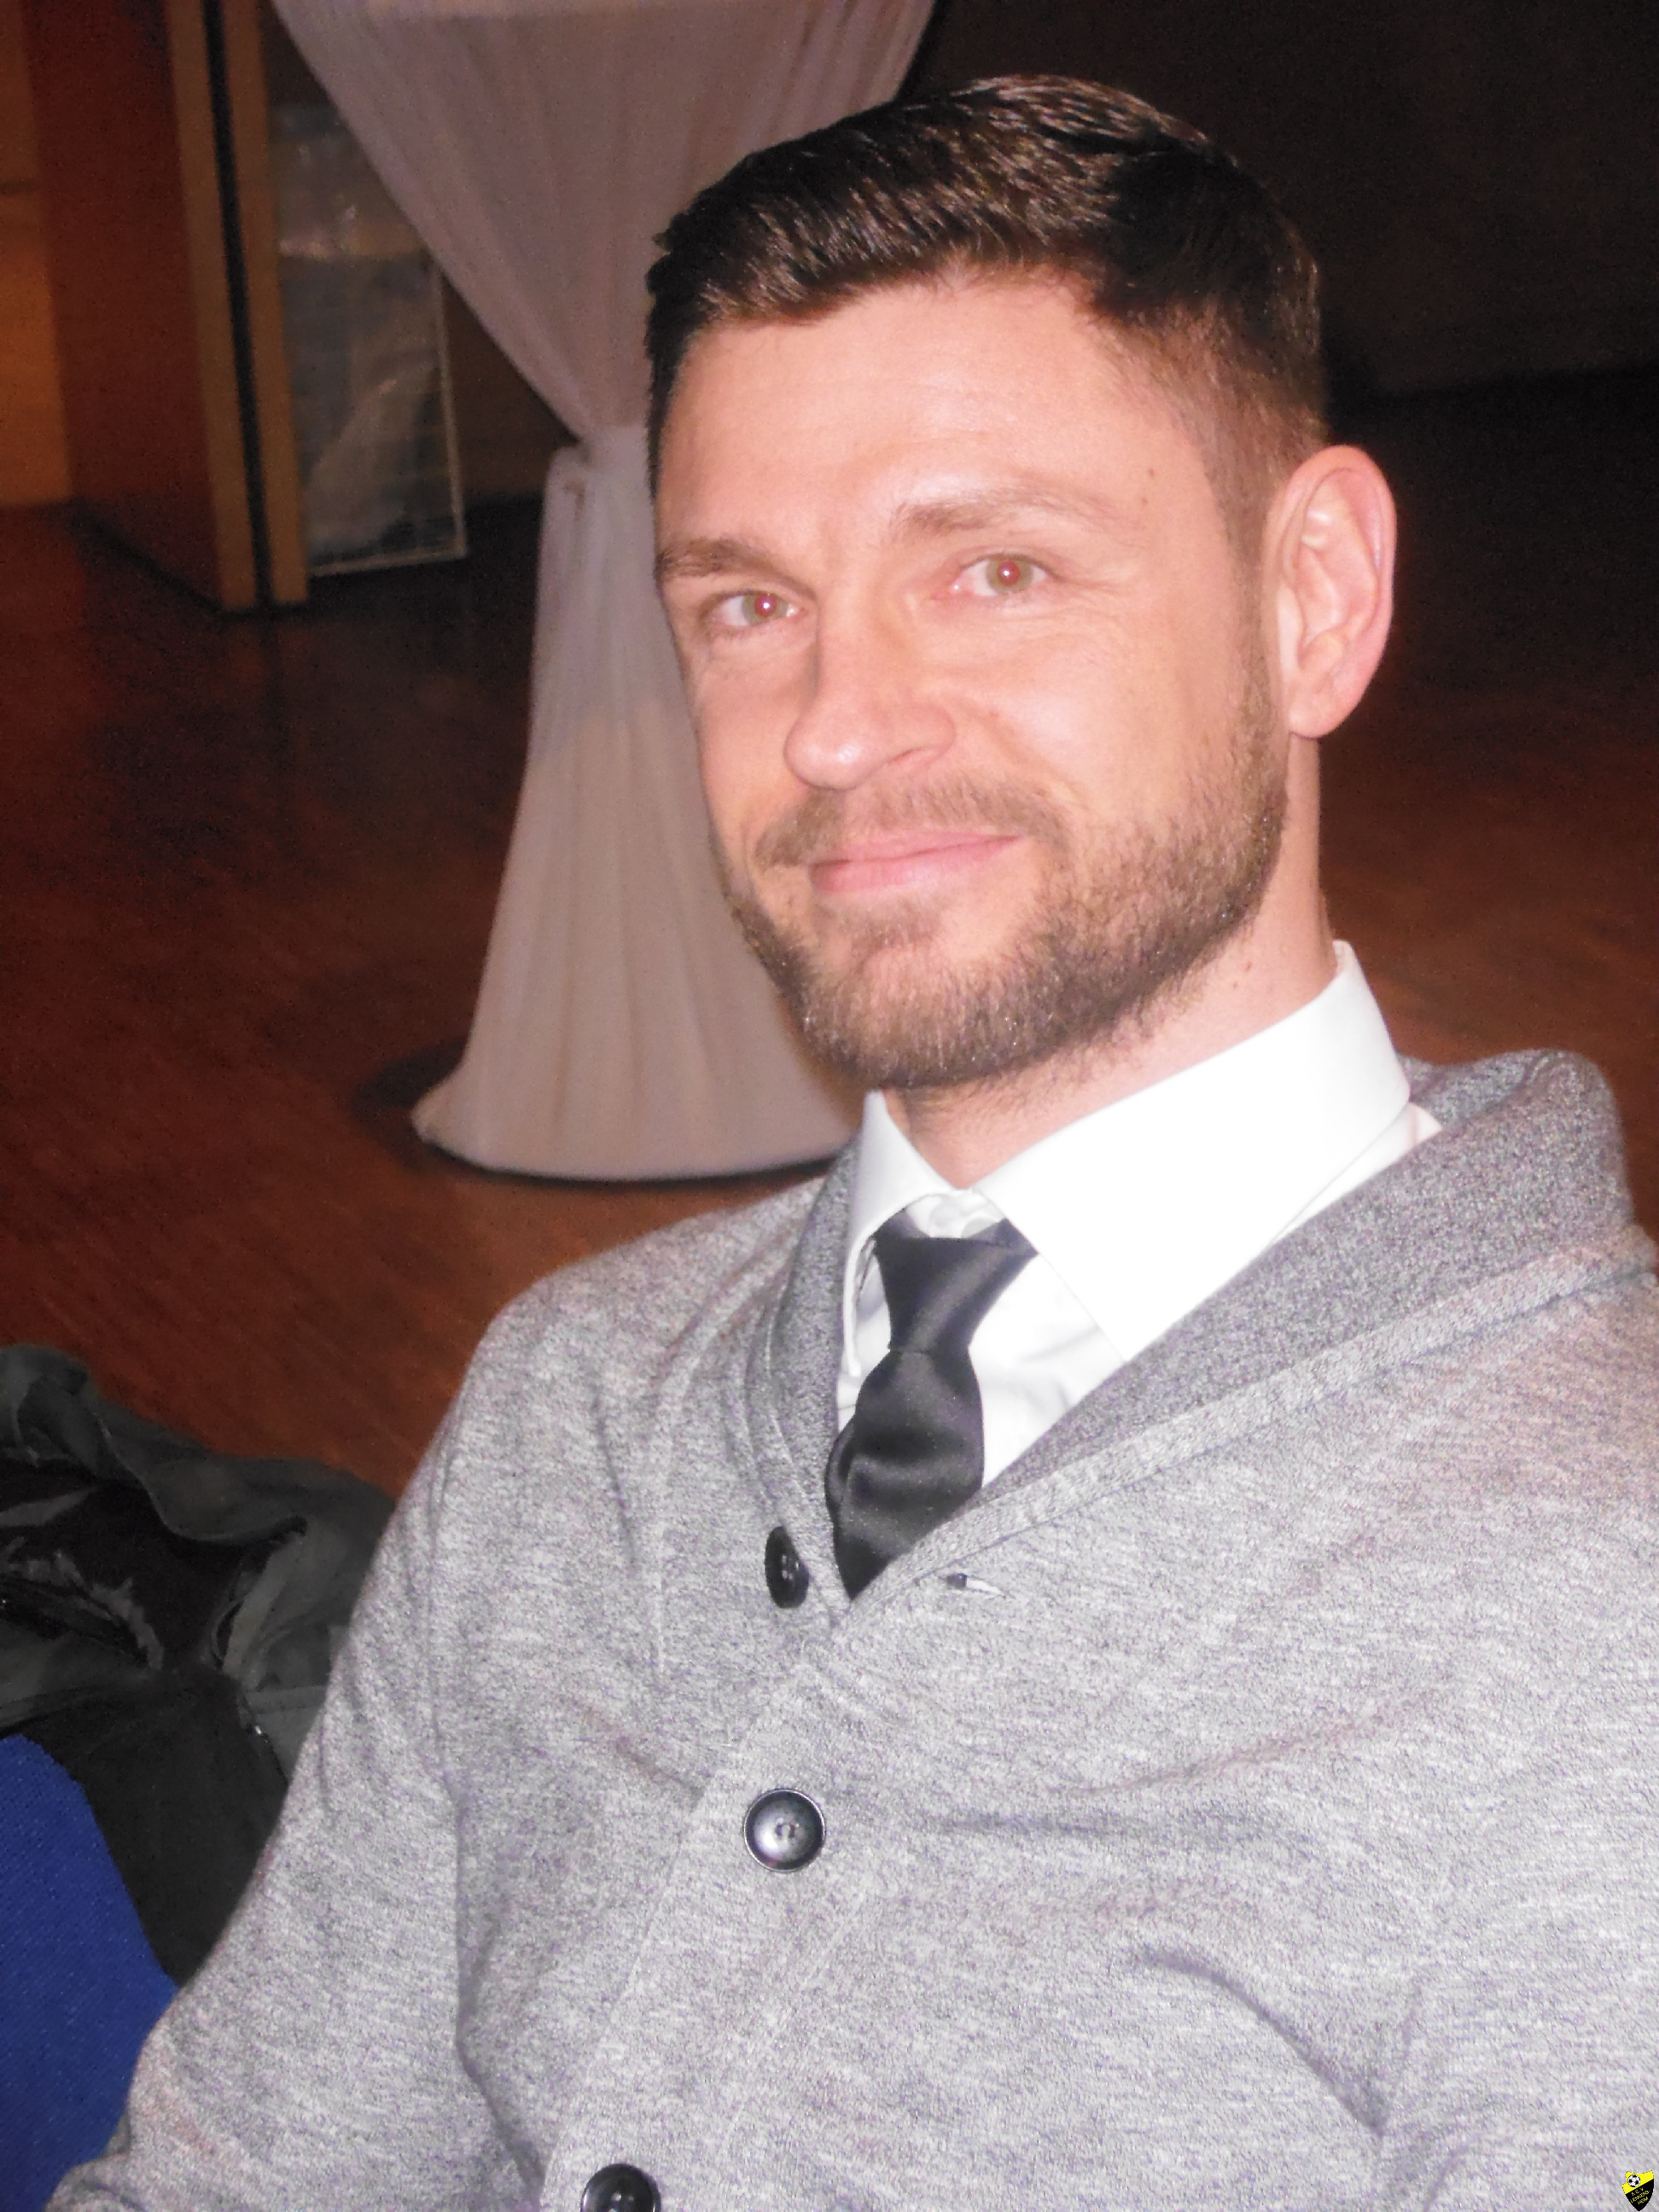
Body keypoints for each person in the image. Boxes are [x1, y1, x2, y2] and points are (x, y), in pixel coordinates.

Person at [57, 77, 1659, 2212]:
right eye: (748, 605)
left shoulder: (1599, 1601)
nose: (832, 726)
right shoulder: (581, 1404)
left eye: (993, 571)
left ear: (1316, 598)